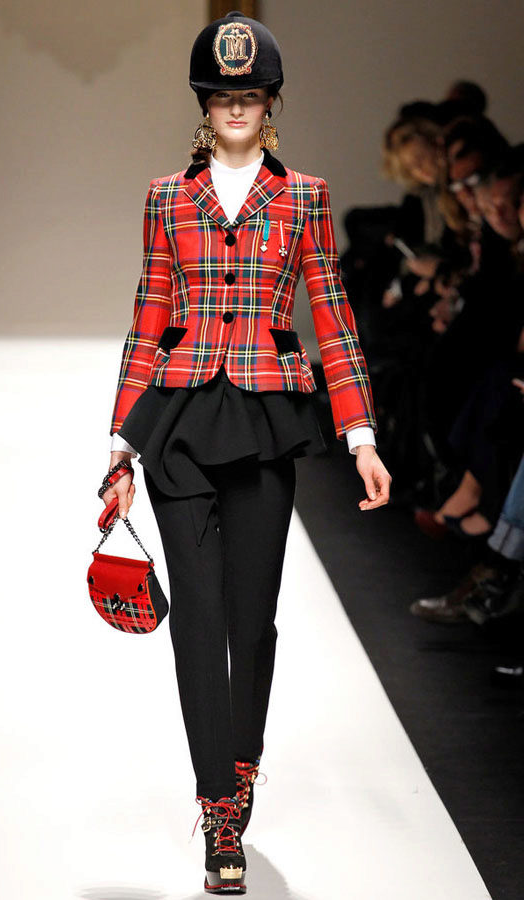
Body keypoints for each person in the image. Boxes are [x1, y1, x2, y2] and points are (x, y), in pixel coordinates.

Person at [100, 11, 391, 895]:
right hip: (181, 420)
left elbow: (332, 314)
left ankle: (243, 762)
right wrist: (119, 446)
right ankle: (219, 809)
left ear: (270, 104)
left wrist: (361, 433)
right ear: (205, 101)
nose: (237, 106)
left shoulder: (304, 196)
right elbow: (150, 315)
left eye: (253, 94)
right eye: (224, 94)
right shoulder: (167, 196)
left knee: (250, 621)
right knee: (197, 618)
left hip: (267, 417)